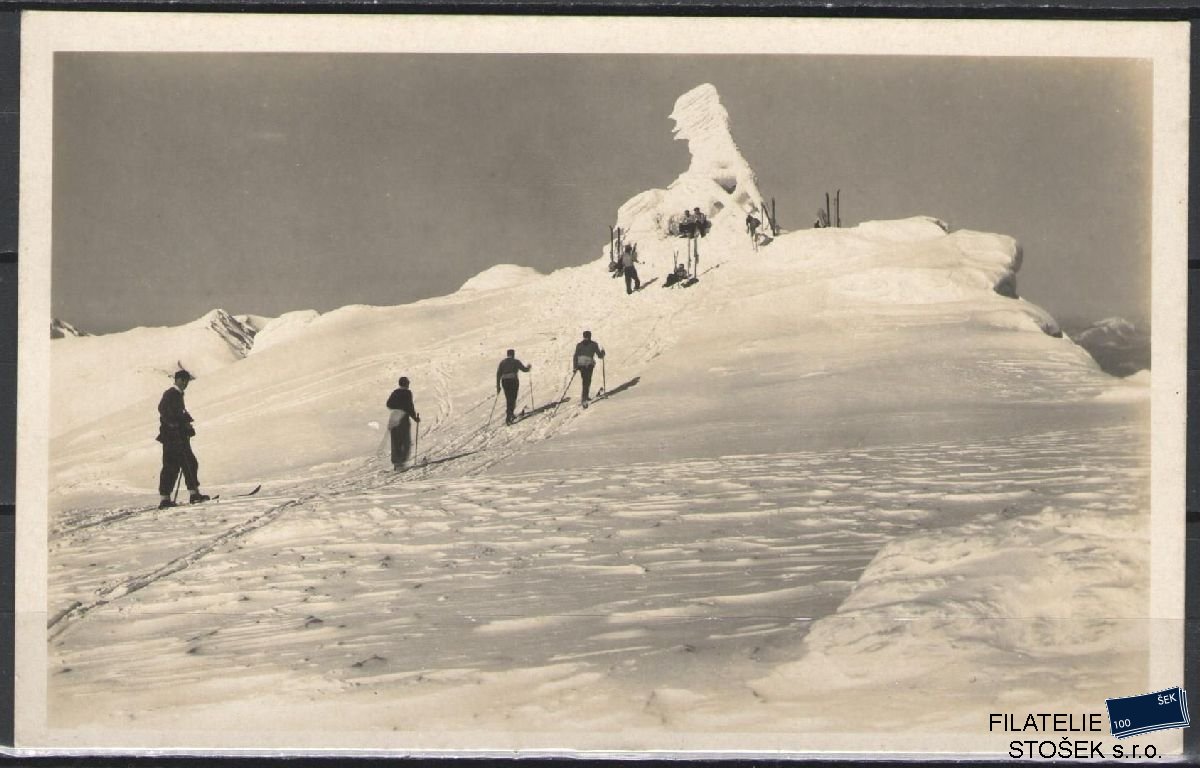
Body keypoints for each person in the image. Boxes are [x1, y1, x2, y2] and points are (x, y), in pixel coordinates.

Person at [156, 368, 210, 509]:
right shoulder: (171, 393)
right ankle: (189, 495)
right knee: (182, 464)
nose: (186, 384)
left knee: (182, 464)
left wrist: (185, 423)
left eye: (187, 381)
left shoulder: (177, 394)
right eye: (184, 381)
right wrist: (173, 424)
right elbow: (162, 409)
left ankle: (169, 498)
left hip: (176, 437)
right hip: (173, 437)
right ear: (178, 380)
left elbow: (176, 413)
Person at [386, 376, 421, 470]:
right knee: (405, 441)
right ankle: (402, 463)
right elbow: (409, 406)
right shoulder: (407, 393)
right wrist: (415, 418)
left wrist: (398, 407)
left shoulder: (395, 392)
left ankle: (396, 463)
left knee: (396, 441)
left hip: (393, 418)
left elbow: (388, 404)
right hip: (402, 419)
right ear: (406, 384)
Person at [496, 349, 532, 425]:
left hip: (504, 381)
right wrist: (529, 368)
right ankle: (509, 415)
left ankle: (509, 414)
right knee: (513, 397)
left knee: (508, 398)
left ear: (507, 354)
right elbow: (524, 369)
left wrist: (498, 386)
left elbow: (498, 374)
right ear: (513, 354)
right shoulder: (515, 361)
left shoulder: (502, 362)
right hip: (513, 380)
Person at [571, 330, 605, 405]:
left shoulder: (579, 345)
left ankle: (585, 397)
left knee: (585, 380)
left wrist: (575, 367)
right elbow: (599, 356)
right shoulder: (593, 344)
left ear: (583, 336)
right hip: (588, 365)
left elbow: (575, 356)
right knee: (587, 381)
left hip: (580, 365)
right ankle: (584, 398)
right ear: (590, 336)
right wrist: (603, 353)